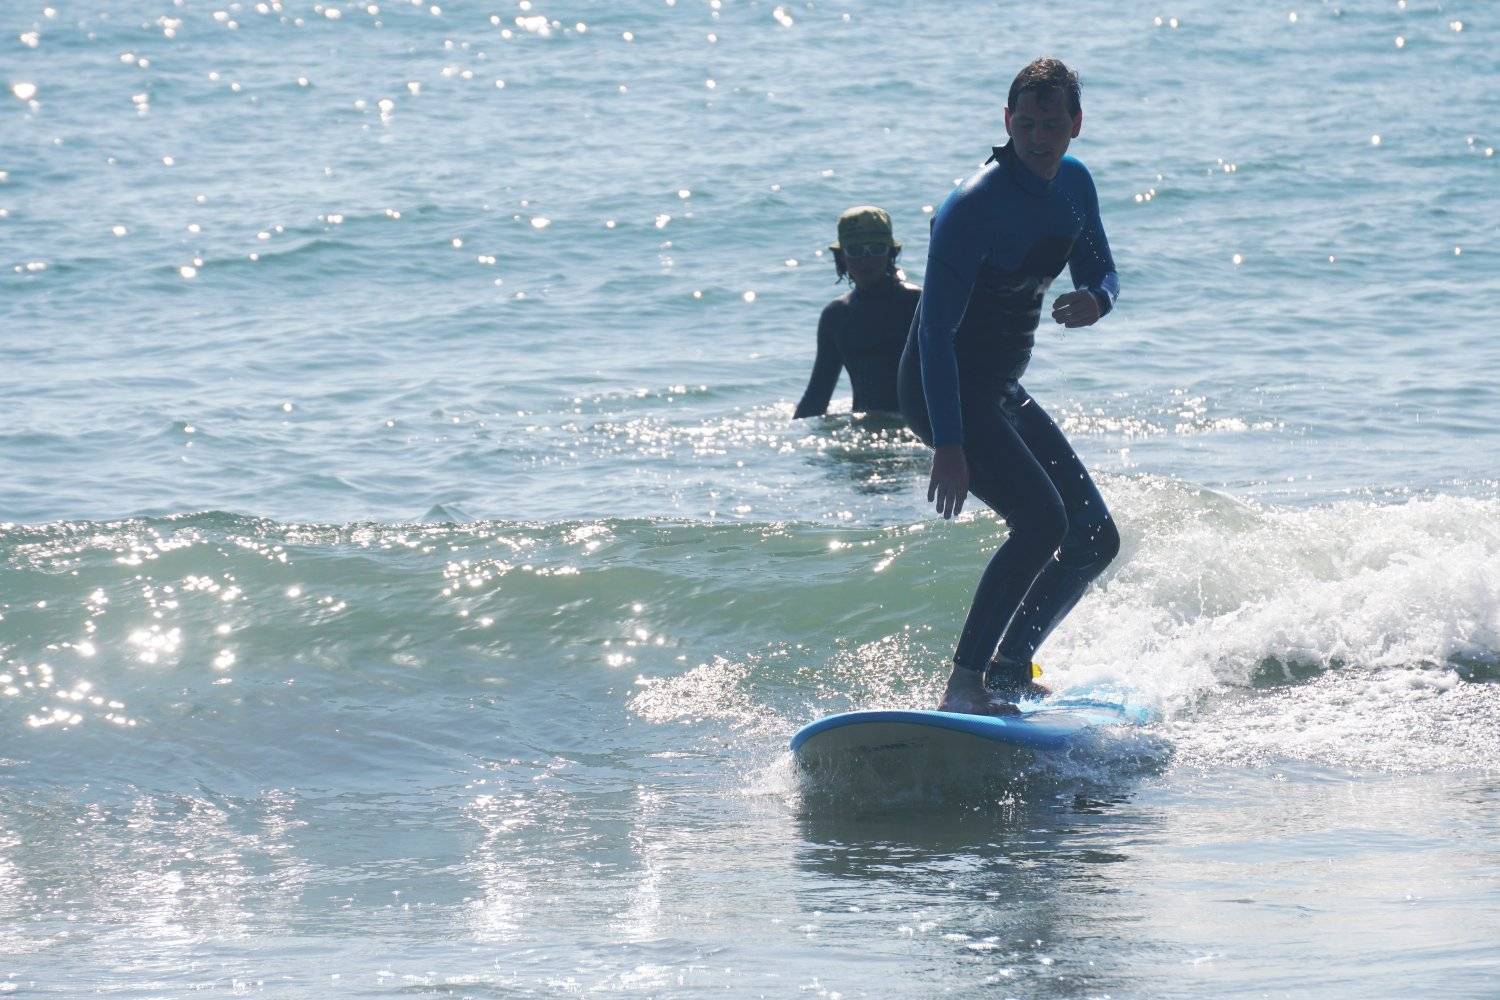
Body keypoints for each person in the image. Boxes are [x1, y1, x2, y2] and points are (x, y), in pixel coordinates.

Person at [897, 57, 1122, 716]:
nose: (1038, 137)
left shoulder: (1074, 186)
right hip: (942, 386)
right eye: (1025, 122)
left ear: (1076, 124)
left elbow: (1101, 268)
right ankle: (964, 683)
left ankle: (1008, 668)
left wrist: (1096, 301)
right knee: (1041, 520)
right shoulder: (972, 207)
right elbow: (935, 333)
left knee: (1093, 538)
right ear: (1006, 122)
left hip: (997, 386)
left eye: (1052, 123)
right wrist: (949, 442)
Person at [794, 206, 920, 419]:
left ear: (891, 252)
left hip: (918, 431)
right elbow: (817, 396)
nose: (866, 260)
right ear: (841, 256)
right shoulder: (837, 316)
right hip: (865, 432)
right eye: (856, 251)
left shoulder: (917, 304)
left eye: (876, 249)